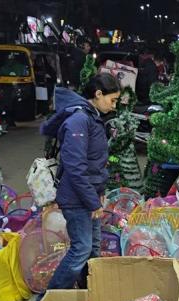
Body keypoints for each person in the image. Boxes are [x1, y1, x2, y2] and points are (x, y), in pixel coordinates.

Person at [41, 73, 121, 290]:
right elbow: (75, 167)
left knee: (93, 249)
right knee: (82, 249)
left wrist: (99, 192)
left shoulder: (93, 117)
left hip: (89, 196)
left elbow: (96, 162)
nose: (114, 106)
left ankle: (89, 292)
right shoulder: (79, 120)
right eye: (112, 100)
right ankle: (51, 297)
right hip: (77, 198)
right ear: (98, 94)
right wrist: (92, 201)